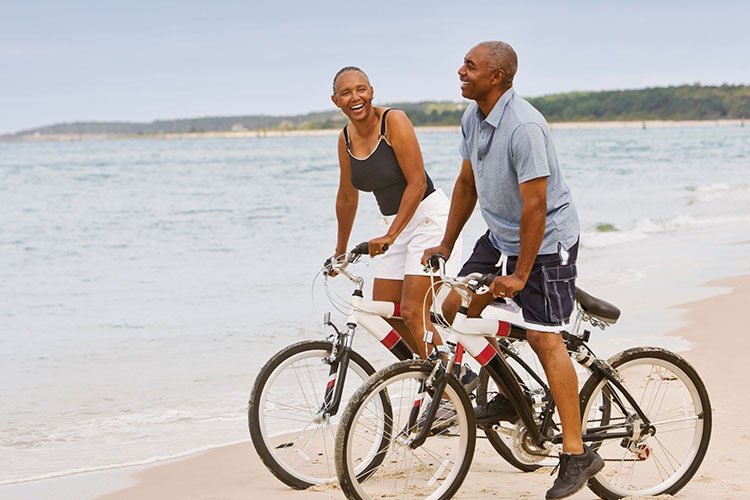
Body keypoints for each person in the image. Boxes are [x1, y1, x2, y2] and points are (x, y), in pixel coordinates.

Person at [421, 42, 604, 499]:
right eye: (463, 63)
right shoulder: (472, 118)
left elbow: (536, 206)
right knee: (453, 306)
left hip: (547, 242)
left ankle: (577, 453)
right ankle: (512, 390)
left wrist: (520, 276)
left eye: (471, 66)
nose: (460, 71)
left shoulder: (523, 126)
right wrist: (446, 242)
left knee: (544, 337)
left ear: (497, 77)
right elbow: (466, 184)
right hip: (501, 235)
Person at [330, 66, 463, 360]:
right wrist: (340, 252)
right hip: (394, 225)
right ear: (335, 100)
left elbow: (416, 184)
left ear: (372, 92)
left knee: (414, 310)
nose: (356, 97)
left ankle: (450, 380)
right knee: (387, 311)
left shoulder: (393, 121)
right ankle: (436, 371)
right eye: (346, 92)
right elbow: (347, 198)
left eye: (361, 89)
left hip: (428, 218)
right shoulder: (345, 139)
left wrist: (391, 235)